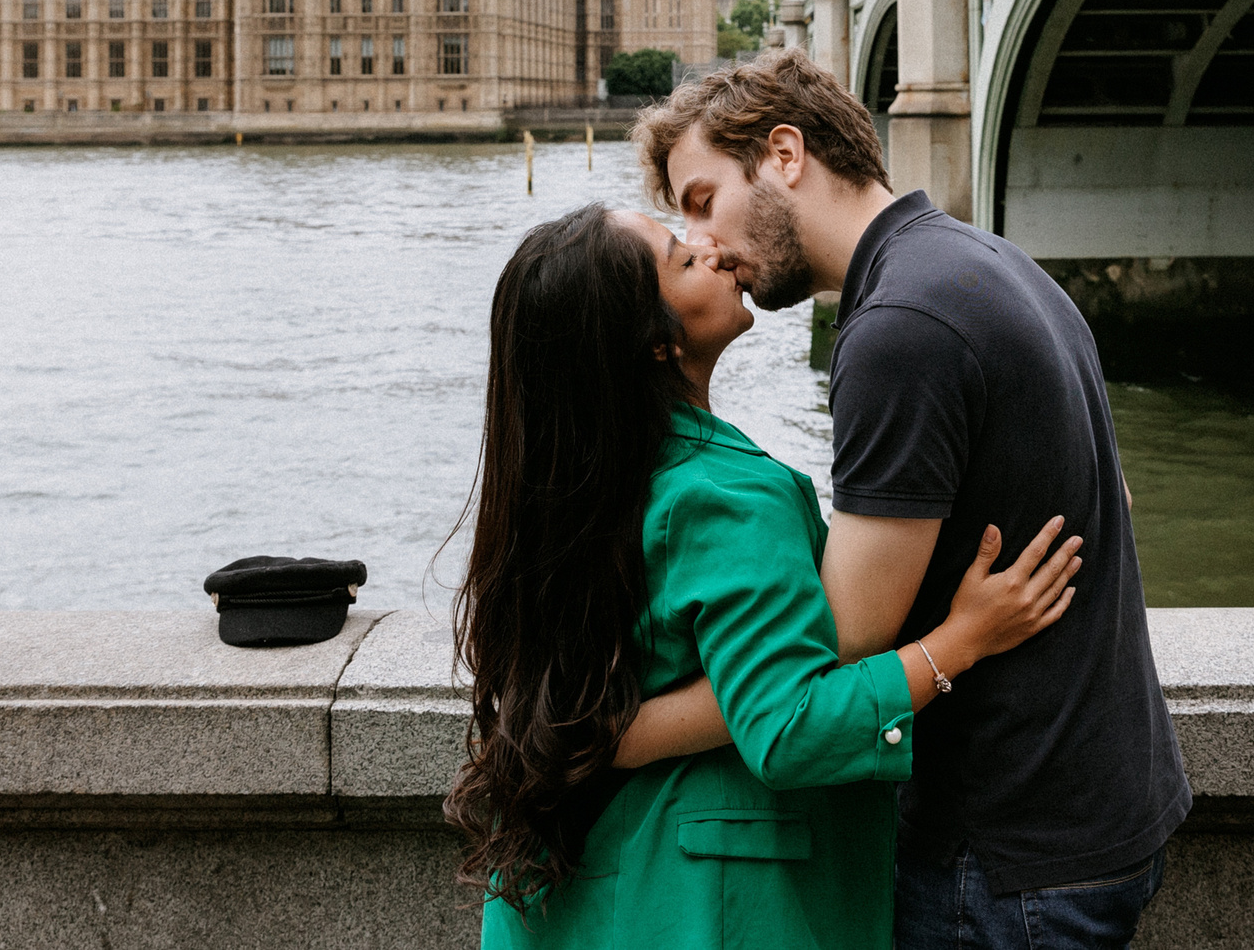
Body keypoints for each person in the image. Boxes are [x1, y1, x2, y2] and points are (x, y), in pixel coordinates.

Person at [634, 51, 1190, 950]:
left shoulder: (898, 328)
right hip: (1103, 805)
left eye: (701, 199)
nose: (704, 242)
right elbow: (1111, 491)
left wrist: (621, 732)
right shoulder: (985, 259)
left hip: (1005, 855)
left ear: (784, 153)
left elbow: (832, 645)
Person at [448, 200, 1084, 949]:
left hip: (588, 894)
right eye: (682, 255)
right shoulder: (726, 497)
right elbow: (789, 727)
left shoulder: (577, 485)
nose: (712, 248)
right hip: (709, 903)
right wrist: (961, 641)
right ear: (654, 343)